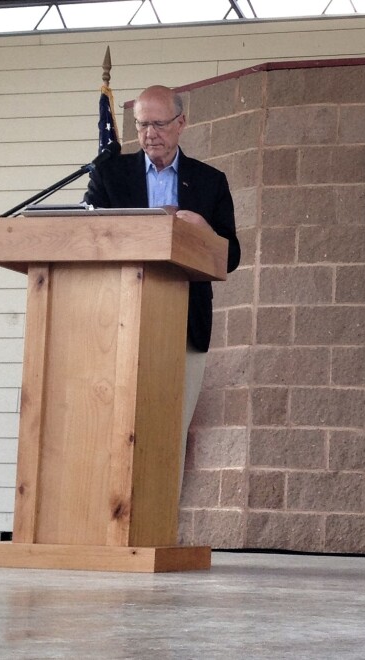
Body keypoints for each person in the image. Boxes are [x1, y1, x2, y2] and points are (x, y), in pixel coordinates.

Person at [84, 84, 241, 488]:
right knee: (115, 426)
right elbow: (87, 236)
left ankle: (161, 530)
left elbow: (231, 257)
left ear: (181, 123)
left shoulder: (210, 182)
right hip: (118, 318)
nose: (149, 133)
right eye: (141, 124)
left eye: (158, 123)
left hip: (183, 324)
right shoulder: (109, 174)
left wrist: (205, 231)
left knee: (169, 432)